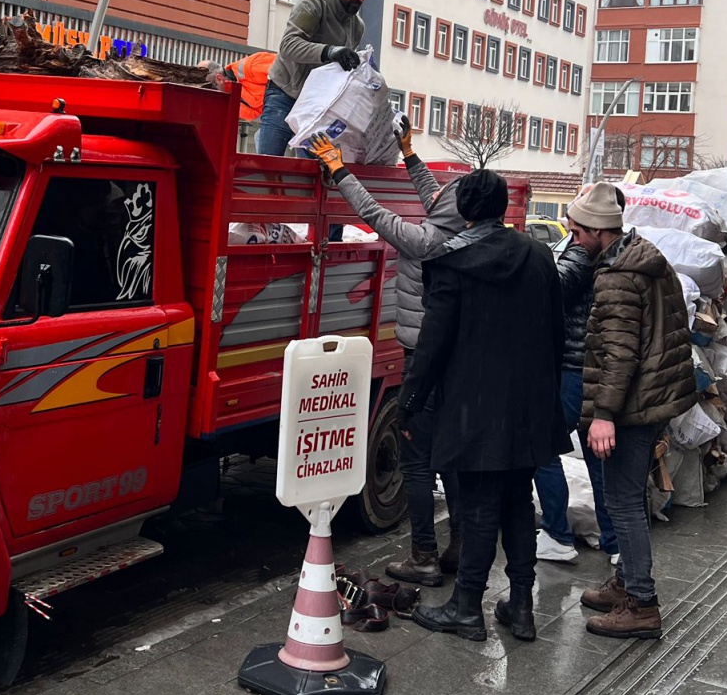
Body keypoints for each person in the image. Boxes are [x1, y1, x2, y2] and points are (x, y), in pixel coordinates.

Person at [397, 170, 568, 643]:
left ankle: (467, 606)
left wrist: (408, 404)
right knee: (517, 500)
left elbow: (432, 345)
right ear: (501, 205)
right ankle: (521, 606)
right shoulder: (538, 254)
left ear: (466, 211)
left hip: (473, 407)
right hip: (529, 405)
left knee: (476, 508)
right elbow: (556, 331)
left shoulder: (453, 263)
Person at [307, 118, 463, 586]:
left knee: (416, 458)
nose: (434, 198)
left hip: (423, 360)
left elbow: (374, 214)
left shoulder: (424, 240)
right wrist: (410, 154)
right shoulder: (459, 230)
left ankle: (423, 557)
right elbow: (435, 194)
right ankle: (459, 545)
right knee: (450, 456)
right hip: (453, 359)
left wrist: (338, 169)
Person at [567, 183, 696, 640]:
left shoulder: (619, 275)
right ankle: (626, 584)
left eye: (577, 232)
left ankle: (641, 602)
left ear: (597, 232)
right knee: (629, 496)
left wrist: (604, 414)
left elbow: (619, 354)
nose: (573, 240)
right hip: (652, 396)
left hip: (632, 405)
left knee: (621, 499)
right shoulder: (643, 256)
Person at [533, 233, 619, 566]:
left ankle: (557, 534)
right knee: (598, 457)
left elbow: (554, 286)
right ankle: (615, 541)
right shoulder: (616, 254)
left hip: (572, 367)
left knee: (543, 447)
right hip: (596, 366)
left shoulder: (582, 254)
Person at [255, 0, 374, 156]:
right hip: (284, 96)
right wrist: (330, 51)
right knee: (267, 166)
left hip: (317, 108)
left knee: (313, 175)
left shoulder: (357, 26)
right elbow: (288, 46)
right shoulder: (312, 6)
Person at [222, 50, 275, 153]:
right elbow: (260, 117)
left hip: (298, 101)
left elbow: (288, 72)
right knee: (261, 137)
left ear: (219, 78)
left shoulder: (252, 65)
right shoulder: (234, 101)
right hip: (283, 115)